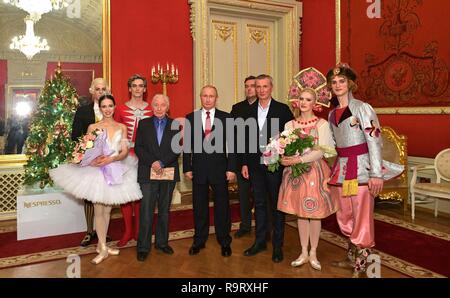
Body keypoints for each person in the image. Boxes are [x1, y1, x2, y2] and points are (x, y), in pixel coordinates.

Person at [326, 63, 403, 276]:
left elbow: (374, 141)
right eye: (334, 82)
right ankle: (352, 256)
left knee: (362, 217)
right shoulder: (332, 115)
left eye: (342, 81)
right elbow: (333, 145)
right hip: (342, 172)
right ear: (330, 87)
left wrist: (376, 174)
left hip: (362, 170)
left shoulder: (362, 108)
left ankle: (365, 266)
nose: (338, 85)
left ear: (350, 84)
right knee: (345, 215)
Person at [50, 94, 142, 264]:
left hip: (114, 169)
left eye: (110, 106)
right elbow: (86, 149)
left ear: (114, 107)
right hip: (96, 172)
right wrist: (93, 160)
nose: (107, 109)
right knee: (98, 211)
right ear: (100, 108)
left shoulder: (122, 126)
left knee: (107, 210)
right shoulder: (93, 127)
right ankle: (102, 246)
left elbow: (123, 151)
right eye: (104, 106)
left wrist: (111, 159)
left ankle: (102, 246)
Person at [277, 83, 337, 271]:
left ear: (315, 103)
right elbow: (283, 146)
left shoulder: (322, 124)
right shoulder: (289, 124)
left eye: (308, 100)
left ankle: (314, 252)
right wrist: (283, 157)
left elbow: (323, 151)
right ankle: (303, 251)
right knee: (301, 214)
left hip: (315, 174)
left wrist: (298, 159)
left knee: (315, 215)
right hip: (295, 176)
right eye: (301, 99)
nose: (303, 102)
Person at [241, 74, 294, 263]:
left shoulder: (282, 109)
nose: (261, 90)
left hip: (275, 166)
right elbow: (244, 141)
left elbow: (290, 136)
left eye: (265, 86)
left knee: (276, 206)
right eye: (258, 86)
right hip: (255, 166)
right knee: (260, 204)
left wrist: (284, 154)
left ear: (271, 88)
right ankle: (260, 241)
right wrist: (244, 163)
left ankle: (277, 246)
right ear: (255, 89)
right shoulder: (248, 112)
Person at [183, 85, 236, 257]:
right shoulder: (190, 118)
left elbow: (233, 146)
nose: (208, 99)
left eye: (211, 96)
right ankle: (199, 240)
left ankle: (224, 241)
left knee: (222, 207)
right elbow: (187, 145)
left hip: (220, 169)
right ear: (200, 97)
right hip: (198, 169)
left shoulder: (226, 118)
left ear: (216, 98)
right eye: (205, 96)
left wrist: (231, 168)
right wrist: (187, 167)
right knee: (199, 207)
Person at [134, 94, 181, 262]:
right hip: (147, 173)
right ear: (151, 107)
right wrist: (153, 162)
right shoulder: (144, 124)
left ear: (167, 107)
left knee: (164, 211)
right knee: (146, 211)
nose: (159, 108)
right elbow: (138, 147)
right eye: (156, 105)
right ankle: (143, 247)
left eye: (163, 105)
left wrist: (161, 162)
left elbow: (176, 148)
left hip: (168, 172)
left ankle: (162, 243)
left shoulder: (175, 124)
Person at [114, 74, 153, 247]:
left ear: (145, 89)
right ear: (130, 88)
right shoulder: (121, 109)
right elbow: (115, 133)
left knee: (141, 194)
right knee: (126, 194)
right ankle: (127, 231)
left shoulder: (152, 109)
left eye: (141, 86)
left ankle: (138, 231)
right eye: (134, 86)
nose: (137, 89)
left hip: (145, 157)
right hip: (126, 156)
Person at [71, 77, 110, 247]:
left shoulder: (110, 110)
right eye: (98, 89)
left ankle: (102, 231)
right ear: (91, 90)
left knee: (104, 196)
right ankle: (89, 231)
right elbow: (76, 136)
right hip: (88, 161)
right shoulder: (82, 111)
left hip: (107, 162)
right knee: (89, 197)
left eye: (103, 89)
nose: (100, 92)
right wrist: (88, 154)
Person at [230, 75, 257, 238]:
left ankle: (263, 226)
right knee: (244, 195)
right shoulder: (237, 108)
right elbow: (233, 135)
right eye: (246, 86)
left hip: (261, 159)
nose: (249, 89)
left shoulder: (263, 108)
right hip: (242, 160)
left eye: (252, 86)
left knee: (261, 196)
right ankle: (245, 225)